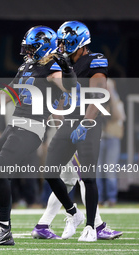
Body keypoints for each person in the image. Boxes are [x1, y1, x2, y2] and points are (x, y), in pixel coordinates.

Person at [0, 26, 77, 245]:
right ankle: (7, 227)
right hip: (14, 126)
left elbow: (70, 89)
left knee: (1, 169)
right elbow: (3, 97)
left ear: (44, 46)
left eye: (31, 48)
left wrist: (69, 72)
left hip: (32, 127)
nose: (27, 52)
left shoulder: (54, 68)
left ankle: (4, 229)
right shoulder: (28, 65)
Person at [43, 21, 115, 242]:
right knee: (50, 172)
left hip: (88, 124)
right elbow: (64, 88)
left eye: (65, 42)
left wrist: (86, 123)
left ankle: (92, 227)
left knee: (88, 177)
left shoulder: (94, 60)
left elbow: (99, 94)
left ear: (79, 42)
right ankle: (73, 213)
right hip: (69, 122)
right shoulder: (66, 62)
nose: (62, 46)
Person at [96, 79, 125, 207]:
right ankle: (98, 198)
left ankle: (111, 198)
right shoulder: (97, 101)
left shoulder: (117, 102)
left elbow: (118, 117)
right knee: (97, 169)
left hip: (112, 138)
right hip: (99, 138)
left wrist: (111, 94)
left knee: (109, 169)